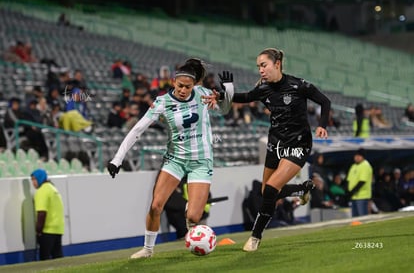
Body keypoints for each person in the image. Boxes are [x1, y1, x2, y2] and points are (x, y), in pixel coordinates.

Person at [106, 58, 234, 259]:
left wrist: (229, 91)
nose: (184, 90)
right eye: (180, 86)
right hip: (175, 159)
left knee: (193, 216)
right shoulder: (162, 102)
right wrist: (117, 159)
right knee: (156, 205)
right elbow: (137, 129)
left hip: (201, 161)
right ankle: (148, 249)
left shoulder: (202, 94)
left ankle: (191, 218)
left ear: (194, 85)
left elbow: (225, 109)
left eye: (188, 87)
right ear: (174, 82)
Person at [209, 48, 331, 252]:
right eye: (258, 67)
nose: (260, 70)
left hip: (298, 144)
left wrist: (322, 125)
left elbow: (325, 102)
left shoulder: (298, 85)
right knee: (267, 192)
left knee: (272, 187)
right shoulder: (263, 89)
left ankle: (255, 236)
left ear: (277, 64)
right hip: (275, 144)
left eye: (263, 65)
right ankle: (302, 188)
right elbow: (245, 96)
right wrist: (222, 95)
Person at [31, 168, 65, 260]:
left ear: (39, 178)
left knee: (45, 260)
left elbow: (41, 213)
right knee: (58, 258)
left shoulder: (42, 191)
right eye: (32, 180)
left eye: (34, 179)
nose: (33, 182)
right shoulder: (53, 188)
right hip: (58, 229)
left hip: (47, 230)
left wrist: (38, 230)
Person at [346, 148, 373, 217]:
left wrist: (352, 191)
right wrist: (348, 191)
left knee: (362, 217)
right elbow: (349, 180)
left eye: (359, 156)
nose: (357, 157)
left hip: (362, 196)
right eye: (356, 156)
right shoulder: (353, 166)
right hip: (354, 197)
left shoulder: (365, 166)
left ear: (363, 157)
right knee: (355, 218)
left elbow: (362, 181)